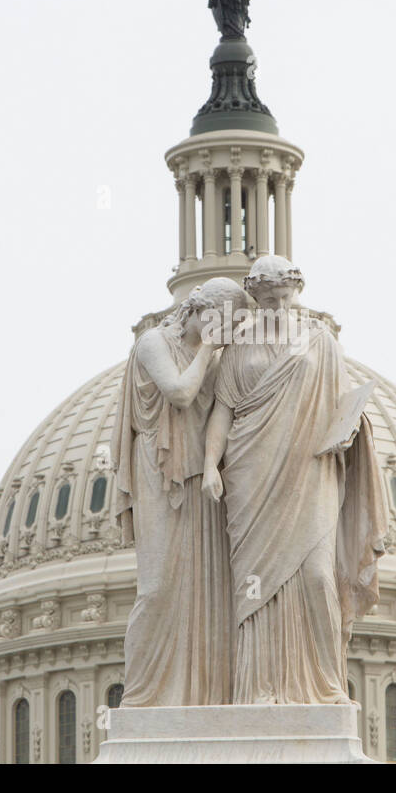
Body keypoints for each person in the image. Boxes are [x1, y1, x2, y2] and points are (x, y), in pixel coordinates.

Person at [203, 256, 386, 704]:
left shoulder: (322, 343)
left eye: (285, 299)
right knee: (256, 585)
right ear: (255, 300)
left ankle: (325, 687)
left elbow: (342, 406)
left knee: (318, 576)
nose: (278, 309)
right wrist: (210, 465)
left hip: (310, 471)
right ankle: (259, 688)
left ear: (297, 295)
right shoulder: (238, 347)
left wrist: (349, 432)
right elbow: (222, 411)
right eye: (268, 302)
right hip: (250, 473)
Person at [113, 278, 247, 706]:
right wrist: (210, 348)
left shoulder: (225, 357)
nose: (218, 330)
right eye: (216, 320)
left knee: (204, 589)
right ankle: (142, 698)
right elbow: (180, 393)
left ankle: (201, 696)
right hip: (158, 469)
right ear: (196, 309)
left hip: (201, 481)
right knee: (156, 588)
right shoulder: (154, 342)